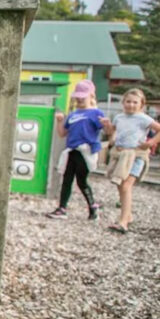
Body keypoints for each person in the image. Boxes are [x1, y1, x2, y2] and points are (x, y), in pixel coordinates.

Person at [103, 88, 160, 233]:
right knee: (120, 186)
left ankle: (123, 222)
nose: (131, 105)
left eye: (135, 102)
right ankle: (128, 215)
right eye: (128, 101)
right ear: (123, 102)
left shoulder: (143, 118)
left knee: (126, 186)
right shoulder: (119, 117)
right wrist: (107, 128)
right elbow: (112, 132)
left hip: (136, 155)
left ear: (141, 104)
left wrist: (150, 142)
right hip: (121, 155)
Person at [46, 80, 106, 220]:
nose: (79, 99)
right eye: (77, 96)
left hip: (85, 151)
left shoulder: (96, 113)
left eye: (82, 96)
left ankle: (92, 206)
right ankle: (62, 208)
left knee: (81, 181)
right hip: (71, 150)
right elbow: (62, 133)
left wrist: (107, 126)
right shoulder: (73, 114)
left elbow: (106, 130)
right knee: (67, 179)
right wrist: (60, 121)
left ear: (91, 96)